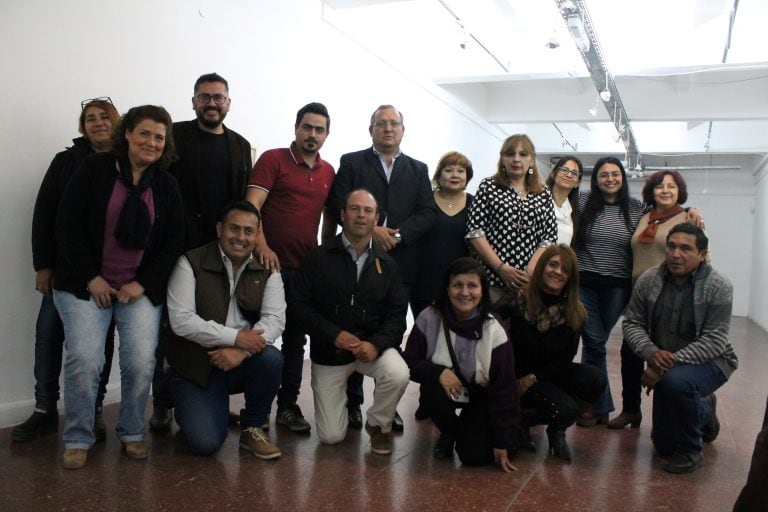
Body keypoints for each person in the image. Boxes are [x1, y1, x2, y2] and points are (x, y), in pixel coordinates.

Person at [53, 105, 184, 469]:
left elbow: (174, 241)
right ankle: (78, 436)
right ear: (126, 133)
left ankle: (131, 431)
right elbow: (67, 226)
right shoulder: (95, 169)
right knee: (85, 360)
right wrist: (90, 278)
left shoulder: (166, 185)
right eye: (144, 133)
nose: (151, 142)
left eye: (159, 137)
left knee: (141, 362)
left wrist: (142, 284)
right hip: (85, 284)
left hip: (137, 289)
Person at [13, 98, 120, 444]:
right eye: (90, 118)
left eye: (104, 116)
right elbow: (44, 214)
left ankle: (93, 411)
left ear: (117, 122)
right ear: (82, 126)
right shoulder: (64, 162)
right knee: (48, 338)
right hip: (62, 273)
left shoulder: (127, 163)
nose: (98, 122)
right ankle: (45, 410)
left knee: (97, 347)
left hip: (105, 277)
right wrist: (42, 266)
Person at [151, 72, 253, 431]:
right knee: (170, 329)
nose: (212, 103)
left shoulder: (240, 145)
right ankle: (163, 402)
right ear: (193, 101)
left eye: (219, 97)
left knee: (216, 325)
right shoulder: (175, 136)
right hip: (178, 249)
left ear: (228, 103)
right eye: (205, 96)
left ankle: (210, 399)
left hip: (221, 256)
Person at [326, 105, 433, 430]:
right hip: (355, 259)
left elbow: (427, 212)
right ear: (370, 129)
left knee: (390, 329)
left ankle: (387, 405)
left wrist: (396, 235)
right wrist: (372, 230)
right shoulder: (352, 162)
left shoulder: (418, 169)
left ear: (403, 129)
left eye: (394, 124)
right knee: (355, 326)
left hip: (400, 264)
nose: (388, 129)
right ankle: (354, 403)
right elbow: (336, 204)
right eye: (381, 124)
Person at [290, 189, 410, 455]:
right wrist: (334, 334)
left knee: (398, 373)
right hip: (330, 351)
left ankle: (378, 425)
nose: (361, 215)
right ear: (343, 215)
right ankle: (340, 403)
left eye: (368, 211)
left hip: (369, 350)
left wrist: (376, 344)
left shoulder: (387, 264)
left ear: (376, 218)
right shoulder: (317, 258)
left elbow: (397, 316)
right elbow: (299, 307)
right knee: (331, 436)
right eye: (354, 209)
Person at [165, 201, 285, 459]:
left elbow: (275, 320)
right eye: (234, 229)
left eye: (249, 231)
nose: (241, 237)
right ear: (219, 229)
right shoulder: (190, 262)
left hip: (237, 361)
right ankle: (185, 402)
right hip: (195, 365)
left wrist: (241, 351)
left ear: (257, 234)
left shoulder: (268, 269)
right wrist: (237, 338)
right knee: (206, 443)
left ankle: (253, 427)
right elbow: (181, 320)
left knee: (272, 359)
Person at [246, 102, 335, 434]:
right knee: (260, 337)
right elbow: (251, 207)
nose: (312, 134)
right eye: (307, 127)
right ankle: (254, 409)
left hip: (304, 270)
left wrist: (325, 255)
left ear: (326, 134)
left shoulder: (328, 171)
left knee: (297, 342)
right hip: (266, 266)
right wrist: (262, 245)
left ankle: (286, 406)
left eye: (319, 129)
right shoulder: (273, 159)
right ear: (296, 128)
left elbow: (328, 219)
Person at [623, 223, 738, 474]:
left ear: (702, 254)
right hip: (666, 363)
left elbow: (714, 341)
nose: (676, 254)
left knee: (677, 383)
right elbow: (632, 323)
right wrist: (652, 354)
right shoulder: (648, 280)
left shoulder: (718, 285)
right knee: (663, 446)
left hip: (712, 361)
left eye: (686, 249)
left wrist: (664, 364)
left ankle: (690, 450)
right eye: (672, 247)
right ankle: (704, 410)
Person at [403, 257, 518, 472]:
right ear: (447, 289)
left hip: (481, 396)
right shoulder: (429, 318)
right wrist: (438, 372)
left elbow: (504, 387)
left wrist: (502, 440)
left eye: (472, 286)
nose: (464, 292)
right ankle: (449, 433)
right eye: (457, 285)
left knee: (473, 457)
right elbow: (408, 361)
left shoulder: (494, 329)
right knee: (432, 392)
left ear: (483, 291)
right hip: (444, 392)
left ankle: (479, 430)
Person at [494, 245, 606, 461]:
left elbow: (565, 359)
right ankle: (519, 422)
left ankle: (557, 430)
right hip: (514, 373)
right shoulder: (519, 296)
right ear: (542, 266)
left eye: (565, 269)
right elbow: (490, 324)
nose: (557, 272)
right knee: (564, 407)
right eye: (553, 265)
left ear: (570, 277)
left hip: (548, 373)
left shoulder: (576, 311)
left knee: (595, 380)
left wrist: (533, 379)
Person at [608, 171, 693, 429]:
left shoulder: (688, 218)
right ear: (651, 191)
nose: (665, 190)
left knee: (665, 357)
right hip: (639, 299)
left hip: (670, 300)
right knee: (630, 354)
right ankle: (631, 410)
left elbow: (701, 258)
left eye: (671, 186)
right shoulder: (645, 217)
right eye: (660, 186)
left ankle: (685, 413)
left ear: (679, 191)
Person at [571, 156, 646, 426]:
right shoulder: (582, 201)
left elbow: (665, 210)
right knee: (593, 340)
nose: (610, 179)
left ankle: (593, 404)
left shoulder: (636, 207)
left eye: (615, 174)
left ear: (623, 177)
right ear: (596, 178)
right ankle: (599, 405)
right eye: (604, 174)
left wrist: (692, 210)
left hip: (617, 285)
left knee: (597, 342)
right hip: (584, 280)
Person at [466, 134, 557, 302]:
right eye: (510, 154)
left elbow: (549, 238)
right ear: (503, 159)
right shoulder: (488, 186)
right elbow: (474, 232)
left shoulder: (543, 193)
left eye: (523, 154)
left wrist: (530, 271)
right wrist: (501, 268)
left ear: (531, 160)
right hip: (490, 278)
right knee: (490, 327)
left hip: (527, 282)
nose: (516, 159)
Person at [410, 151, 474, 317]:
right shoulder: (424, 201)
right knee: (426, 332)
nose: (455, 175)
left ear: (467, 177)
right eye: (448, 170)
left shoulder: (475, 203)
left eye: (461, 171)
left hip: (462, 283)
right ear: (439, 175)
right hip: (424, 282)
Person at [545, 155, 583, 245]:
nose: (569, 175)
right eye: (565, 170)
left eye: (574, 173)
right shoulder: (538, 200)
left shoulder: (572, 212)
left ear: (577, 183)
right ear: (553, 174)